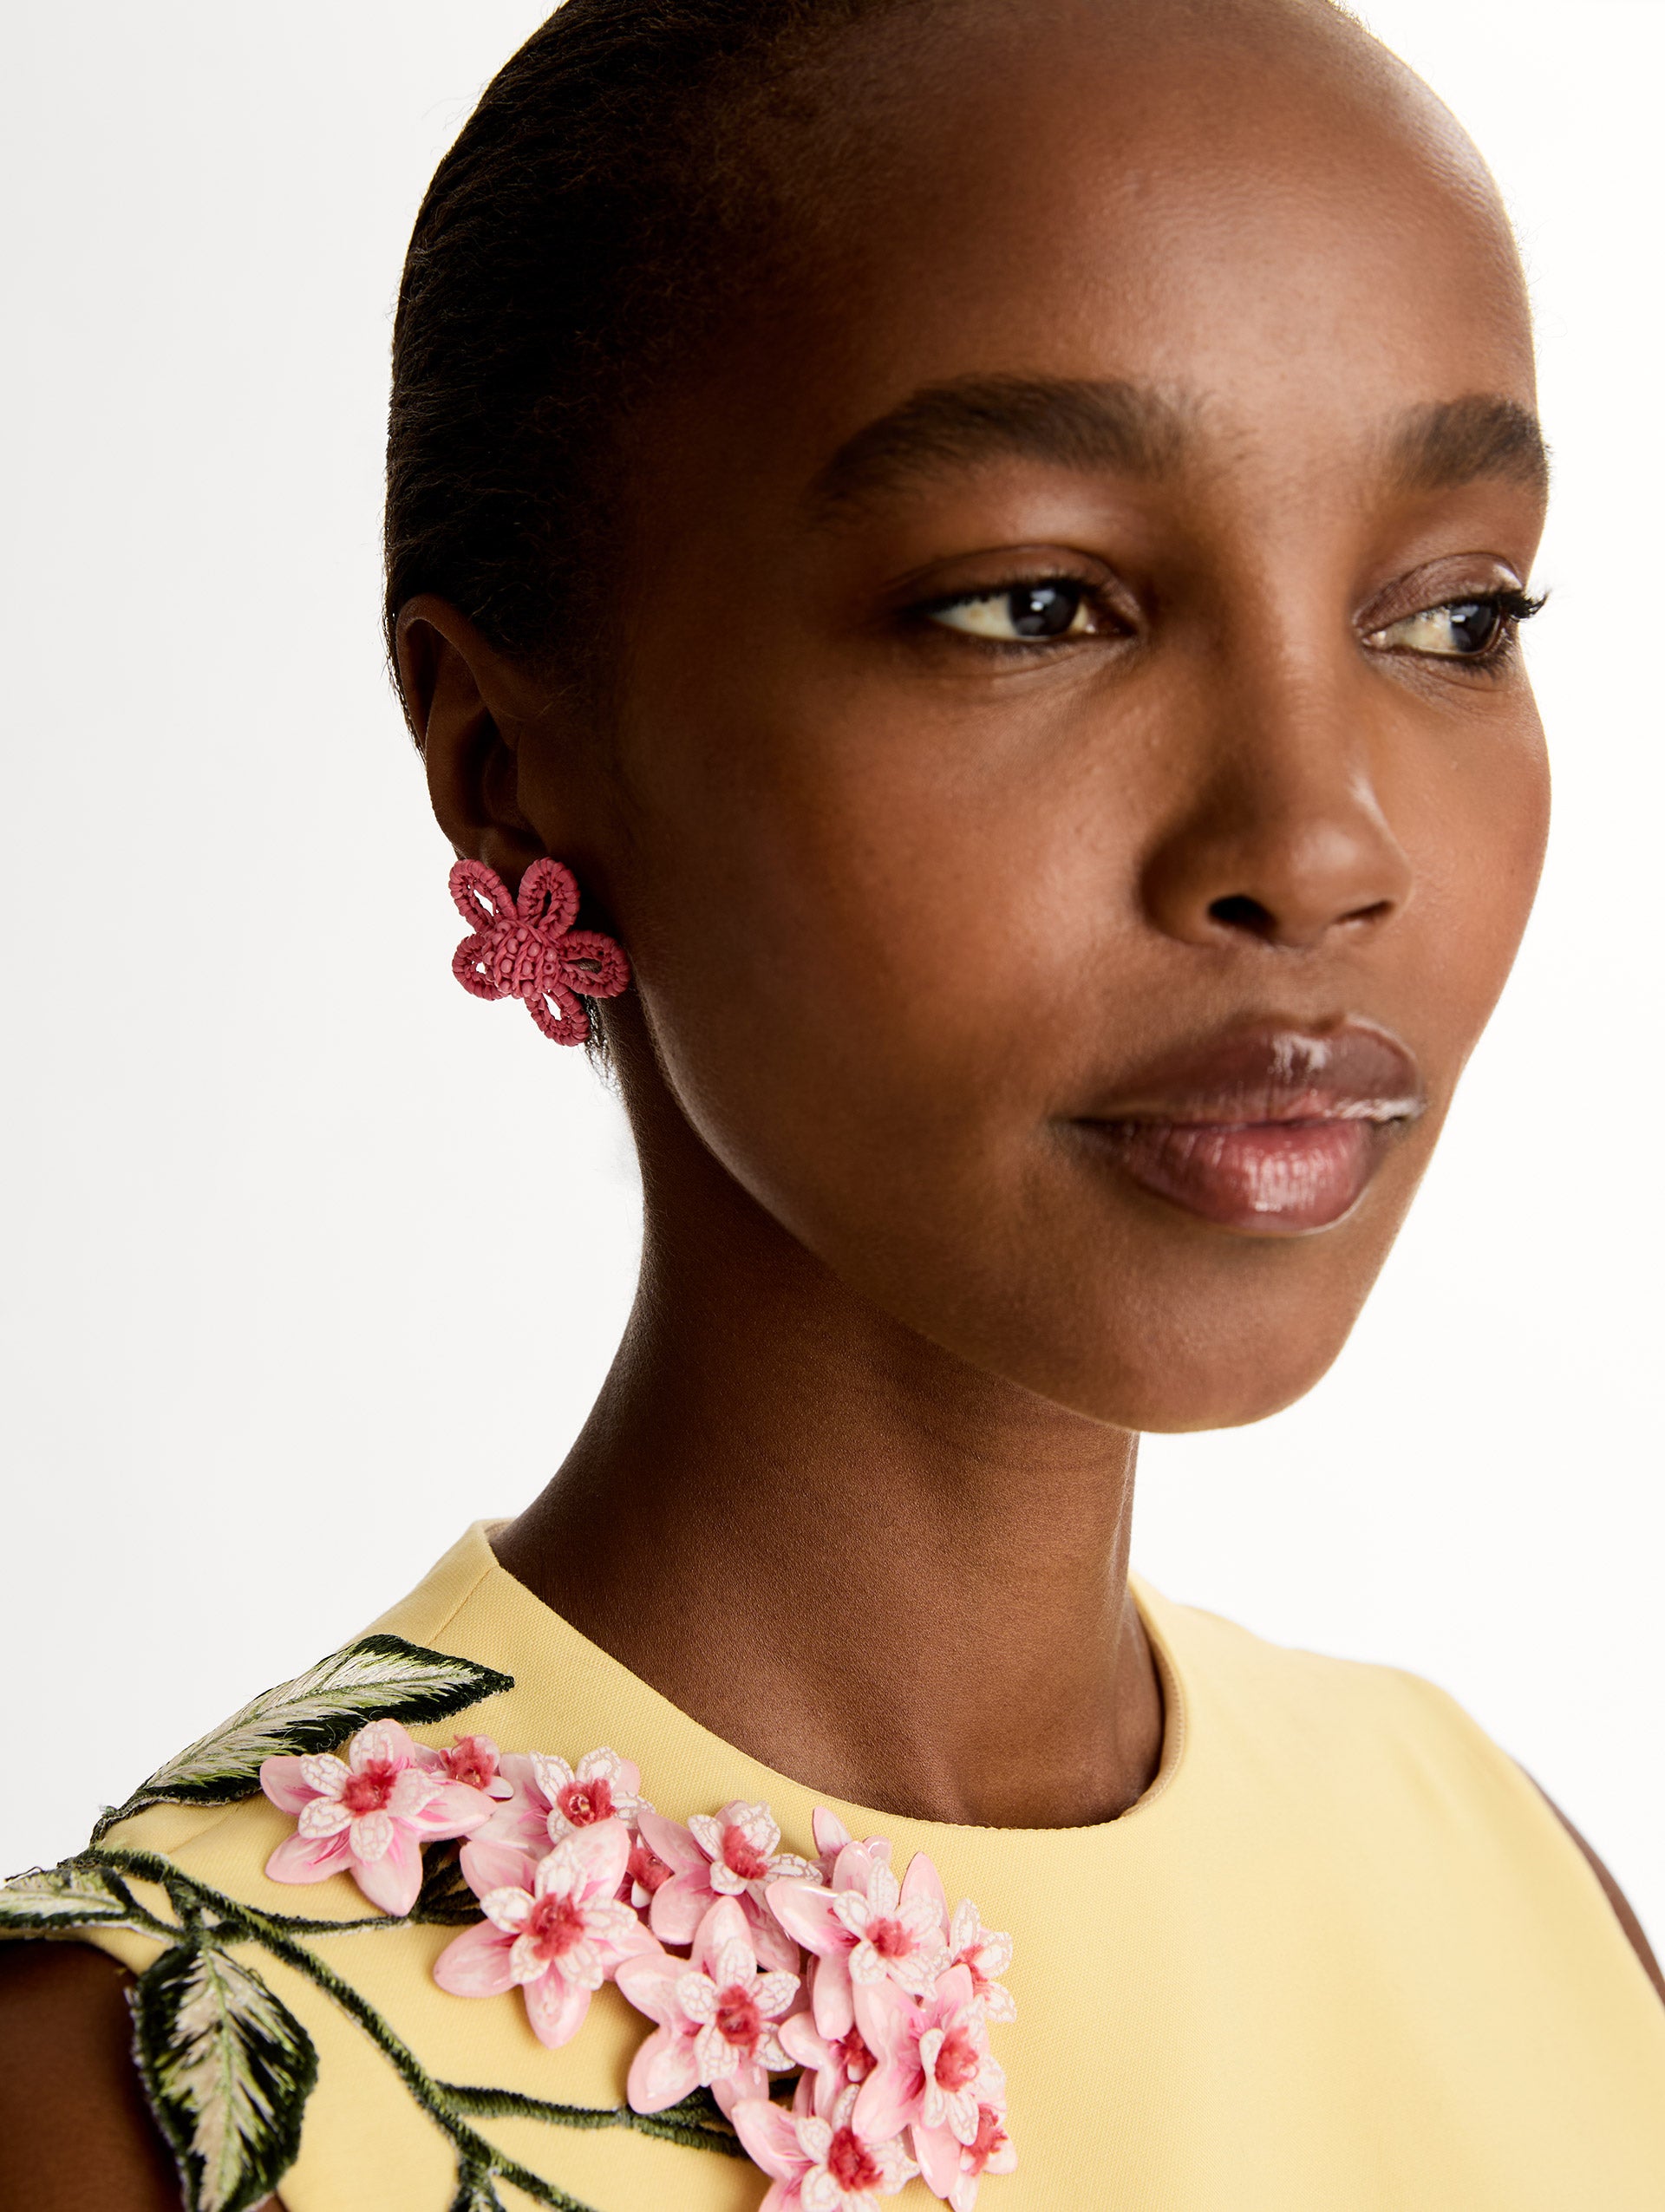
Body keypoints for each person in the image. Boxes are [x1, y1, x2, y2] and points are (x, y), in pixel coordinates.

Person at [3, 1, 1662, 2206]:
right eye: (1042, 601)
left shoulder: (1508, 1882)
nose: (1325, 836)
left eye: (1456, 616)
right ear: (508, 758)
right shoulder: (154, 2090)